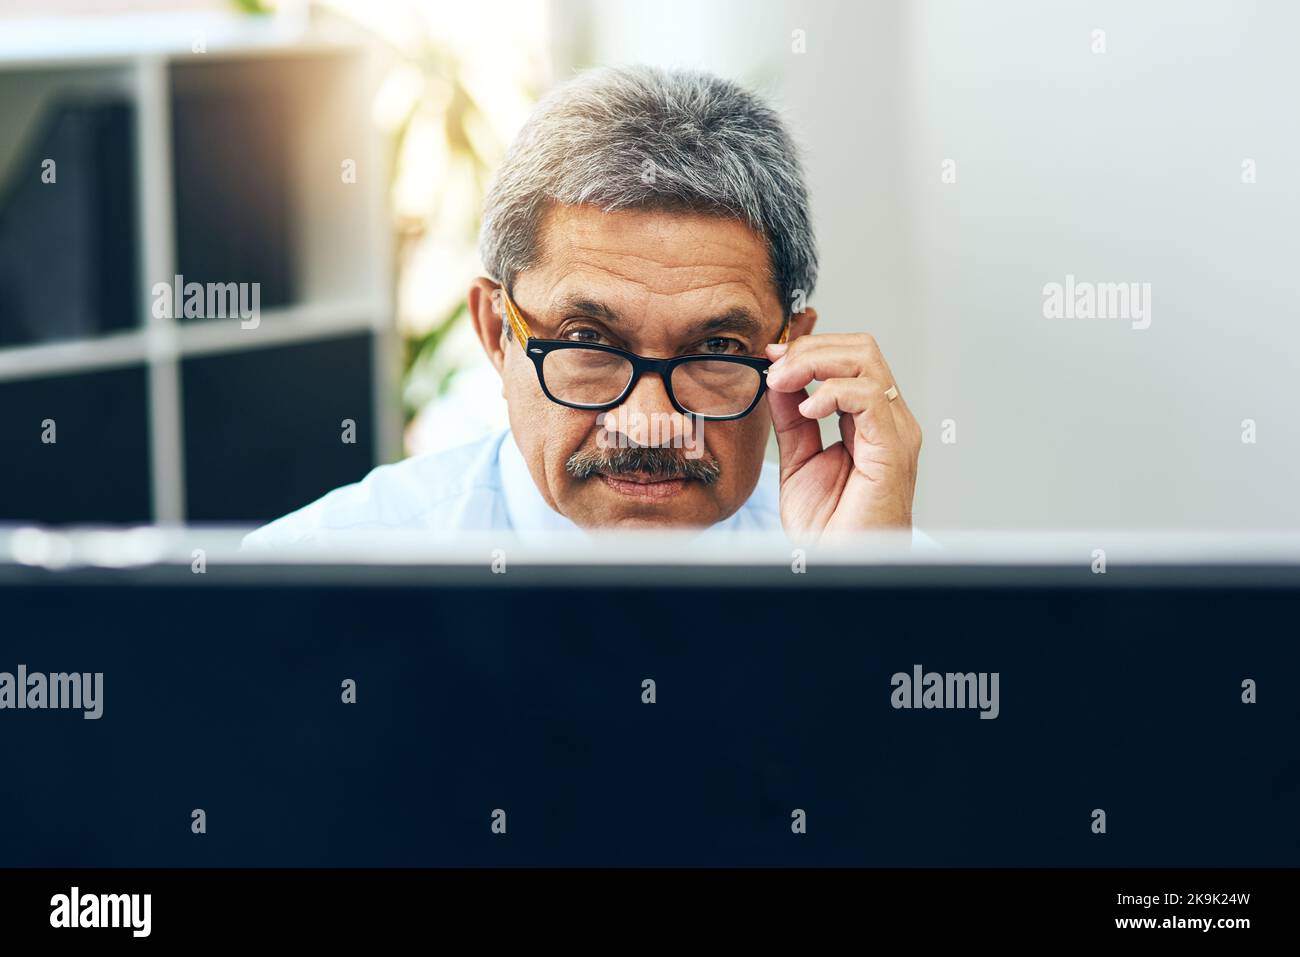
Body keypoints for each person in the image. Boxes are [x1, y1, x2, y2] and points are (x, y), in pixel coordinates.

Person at [244, 65, 923, 548]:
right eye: (589, 340)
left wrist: (859, 609)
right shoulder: (313, 578)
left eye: (716, 349)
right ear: (494, 332)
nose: (652, 425)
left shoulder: (873, 562)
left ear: (793, 351)